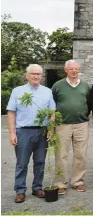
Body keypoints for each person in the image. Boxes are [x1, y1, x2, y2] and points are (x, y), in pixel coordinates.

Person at [7, 64, 56, 203]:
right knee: (22, 163)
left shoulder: (47, 91)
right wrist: (12, 133)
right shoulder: (18, 91)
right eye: (33, 73)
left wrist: (51, 130)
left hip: (42, 131)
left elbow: (52, 113)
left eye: (38, 74)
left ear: (42, 76)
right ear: (27, 75)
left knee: (40, 162)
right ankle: (20, 190)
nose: (36, 76)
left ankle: (37, 187)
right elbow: (11, 112)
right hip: (23, 131)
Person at [52, 60, 91, 195]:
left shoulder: (85, 86)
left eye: (76, 69)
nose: (74, 71)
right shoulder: (58, 86)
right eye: (71, 69)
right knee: (61, 154)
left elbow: (89, 104)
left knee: (81, 154)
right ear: (66, 70)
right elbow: (52, 104)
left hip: (81, 124)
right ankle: (60, 183)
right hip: (63, 125)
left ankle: (77, 181)